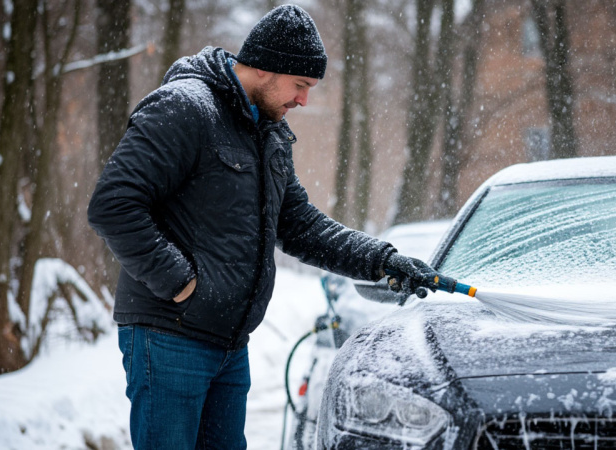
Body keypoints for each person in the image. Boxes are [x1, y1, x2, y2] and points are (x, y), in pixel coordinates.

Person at [87, 4, 436, 449]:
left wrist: (382, 260)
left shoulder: (267, 134)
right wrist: (180, 283)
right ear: (267, 69)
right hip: (169, 336)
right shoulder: (185, 108)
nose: (304, 100)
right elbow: (112, 204)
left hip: (229, 345)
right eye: (301, 85)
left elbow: (301, 226)